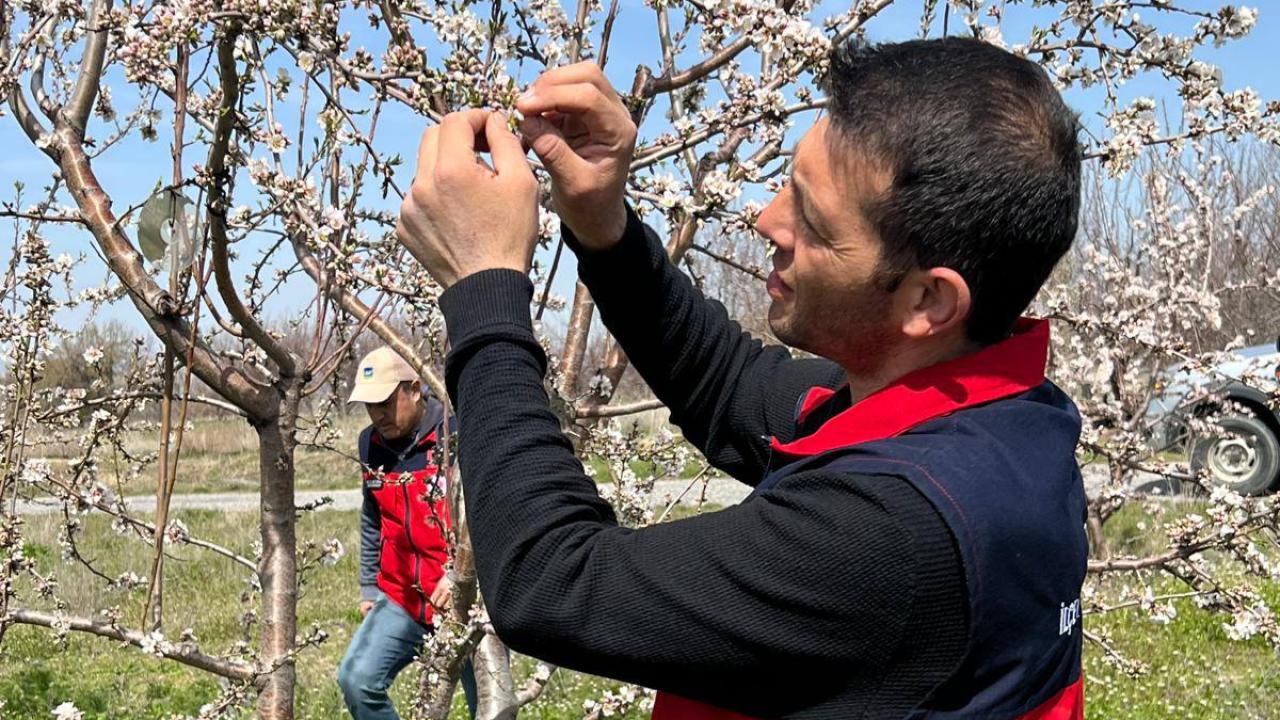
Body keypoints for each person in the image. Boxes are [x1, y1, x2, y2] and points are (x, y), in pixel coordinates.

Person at [396, 37, 1087, 719]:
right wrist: (603, 224)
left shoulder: (894, 535)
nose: (767, 219)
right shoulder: (996, 416)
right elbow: (731, 386)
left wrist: (484, 289)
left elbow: (552, 581)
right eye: (790, 182)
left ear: (929, 300)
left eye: (813, 220)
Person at [336, 346, 476, 720]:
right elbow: (372, 517)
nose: (377, 415)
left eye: (384, 402)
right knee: (356, 680)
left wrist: (459, 575)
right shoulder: (369, 444)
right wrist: (370, 587)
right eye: (369, 406)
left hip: (465, 598)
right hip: (403, 597)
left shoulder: (456, 435)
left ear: (414, 389)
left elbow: (485, 515)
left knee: (488, 706)